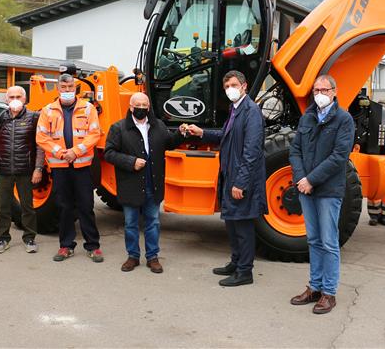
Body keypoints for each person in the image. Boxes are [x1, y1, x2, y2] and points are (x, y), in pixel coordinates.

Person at [186, 70, 267, 287]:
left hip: (241, 179)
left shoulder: (251, 112)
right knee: (231, 224)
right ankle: (235, 262)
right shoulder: (235, 109)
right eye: (226, 87)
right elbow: (225, 136)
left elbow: (251, 151)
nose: (230, 90)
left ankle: (245, 272)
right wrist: (201, 133)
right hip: (229, 174)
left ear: (244, 86)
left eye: (233, 85)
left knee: (242, 226)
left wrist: (240, 182)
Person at [289, 74, 355, 315]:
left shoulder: (343, 120)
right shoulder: (307, 117)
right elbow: (295, 150)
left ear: (334, 92)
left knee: (328, 242)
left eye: (324, 90)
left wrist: (311, 180)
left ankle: (329, 292)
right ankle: (314, 287)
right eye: (316, 89)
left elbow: (339, 157)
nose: (319, 94)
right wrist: (300, 179)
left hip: (328, 190)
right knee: (313, 240)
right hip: (306, 189)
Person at [104, 92, 186, 273]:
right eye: (137, 105)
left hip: (153, 183)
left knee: (153, 222)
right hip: (130, 184)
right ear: (131, 107)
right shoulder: (118, 128)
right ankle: (132, 256)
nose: (141, 108)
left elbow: (170, 143)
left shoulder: (158, 126)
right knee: (131, 223)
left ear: (149, 107)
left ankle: (152, 257)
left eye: (144, 105)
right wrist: (131, 162)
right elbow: (109, 153)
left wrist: (180, 134)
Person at [36, 74, 103, 262]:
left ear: (76, 88)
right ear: (58, 89)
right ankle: (66, 246)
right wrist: (60, 152)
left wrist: (76, 151)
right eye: (64, 87)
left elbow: (94, 134)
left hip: (81, 165)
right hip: (60, 167)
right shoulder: (47, 110)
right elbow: (41, 137)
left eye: (70, 87)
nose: (67, 90)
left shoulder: (88, 109)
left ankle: (93, 246)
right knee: (64, 207)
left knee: (86, 205)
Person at [0, 86, 44, 254]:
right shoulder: (1, 118)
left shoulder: (34, 117)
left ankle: (29, 238)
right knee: (3, 207)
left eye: (18, 96)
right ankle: (3, 238)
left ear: (25, 99)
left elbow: (40, 145)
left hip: (25, 170)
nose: (15, 99)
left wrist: (38, 168)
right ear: (6, 99)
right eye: (11, 96)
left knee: (27, 207)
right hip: (4, 170)